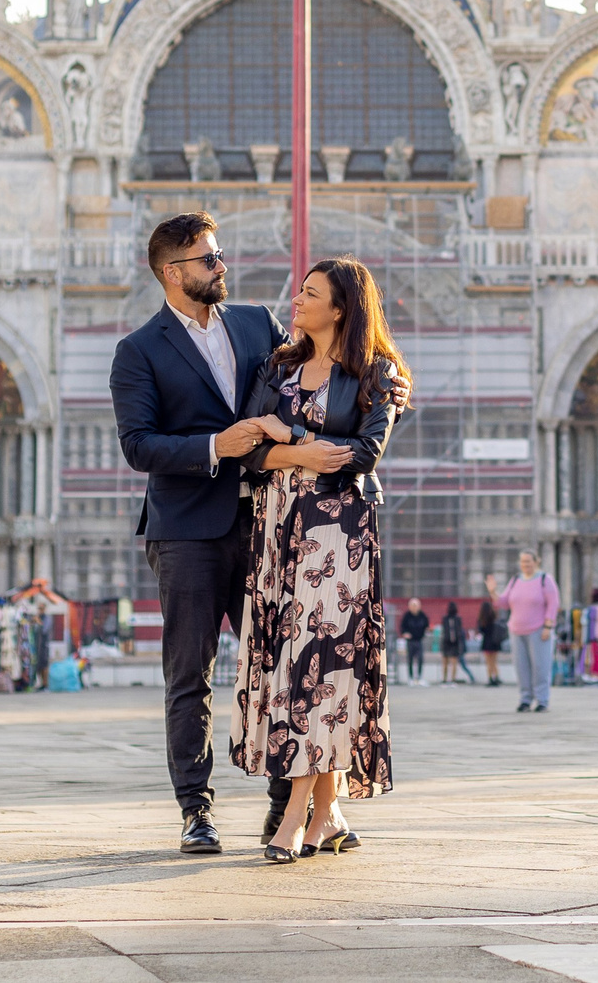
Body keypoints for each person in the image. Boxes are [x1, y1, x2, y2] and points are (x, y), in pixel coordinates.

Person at [110, 211, 293, 856]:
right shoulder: (138, 351)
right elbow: (139, 445)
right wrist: (216, 444)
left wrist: (384, 385)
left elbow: (312, 382)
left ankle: (285, 807)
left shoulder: (256, 324)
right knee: (190, 674)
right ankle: (196, 810)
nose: (221, 266)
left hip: (263, 522)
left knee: (275, 668)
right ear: (171, 272)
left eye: (218, 256)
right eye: (208, 259)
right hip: (186, 531)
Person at [230, 255, 403, 863]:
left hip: (338, 537)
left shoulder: (378, 373)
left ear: (340, 309)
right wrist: (291, 450)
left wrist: (292, 439)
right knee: (298, 664)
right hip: (278, 531)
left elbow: (362, 454)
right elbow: (246, 451)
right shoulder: (278, 366)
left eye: (309, 294)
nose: (295, 302)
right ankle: (326, 815)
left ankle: (295, 817)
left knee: (319, 663)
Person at [502, 550, 561, 713]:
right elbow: (503, 602)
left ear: (536, 561)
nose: (525, 565)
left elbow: (553, 603)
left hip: (539, 630)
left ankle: (542, 700)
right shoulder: (515, 580)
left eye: (528, 561)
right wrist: (493, 592)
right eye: (522, 561)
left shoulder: (545, 579)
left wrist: (548, 626)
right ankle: (525, 699)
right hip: (516, 630)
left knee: (540, 667)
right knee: (521, 668)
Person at [477, 578, 507, 688]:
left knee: (488, 662)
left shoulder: (482, 619)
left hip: (487, 642)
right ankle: (497, 677)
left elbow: (481, 630)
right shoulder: (494, 616)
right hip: (495, 642)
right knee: (494, 661)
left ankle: (490, 678)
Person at [438, 602, 472, 684]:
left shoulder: (457, 619)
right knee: (446, 662)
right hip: (447, 642)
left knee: (453, 662)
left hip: (454, 642)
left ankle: (452, 679)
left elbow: (458, 631)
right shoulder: (445, 619)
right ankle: (445, 679)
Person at [398, 599, 430, 686]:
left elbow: (427, 625)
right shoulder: (407, 616)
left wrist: (426, 631)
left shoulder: (422, 616)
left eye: (416, 605)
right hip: (410, 641)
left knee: (420, 659)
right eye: (413, 606)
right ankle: (411, 678)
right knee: (410, 660)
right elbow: (402, 627)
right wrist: (405, 634)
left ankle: (419, 678)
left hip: (419, 640)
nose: (414, 607)